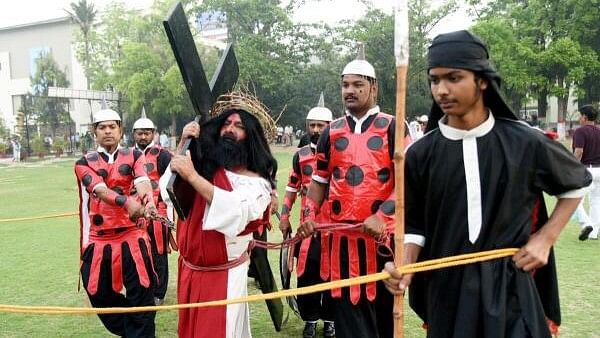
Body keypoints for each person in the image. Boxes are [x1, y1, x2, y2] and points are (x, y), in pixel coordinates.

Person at [383, 30, 591, 338]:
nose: (441, 90)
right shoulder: (420, 153)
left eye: (454, 78)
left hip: (512, 287)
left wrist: (545, 239)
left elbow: (576, 184)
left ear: (482, 80)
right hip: (447, 290)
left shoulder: (524, 141)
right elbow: (414, 226)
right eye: (434, 80)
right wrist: (404, 265)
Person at [298, 47, 399, 338]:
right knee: (347, 323)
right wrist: (308, 214)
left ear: (374, 87)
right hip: (339, 244)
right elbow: (318, 181)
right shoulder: (332, 132)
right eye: (345, 85)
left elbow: (408, 185)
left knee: (382, 321)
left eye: (358, 84)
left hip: (381, 243)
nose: (350, 91)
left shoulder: (392, 126)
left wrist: (382, 216)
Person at [166, 91, 277, 338]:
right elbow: (171, 190)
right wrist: (184, 144)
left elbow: (235, 210)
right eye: (226, 124)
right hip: (190, 272)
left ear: (251, 136)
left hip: (223, 277)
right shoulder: (206, 167)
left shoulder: (257, 184)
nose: (230, 130)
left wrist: (192, 176)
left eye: (238, 126)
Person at [74, 108, 158, 337]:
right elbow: (99, 189)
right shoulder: (84, 162)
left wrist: (148, 201)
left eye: (112, 126)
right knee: (97, 292)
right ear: (94, 132)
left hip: (132, 235)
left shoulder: (135, 156)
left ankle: (141, 332)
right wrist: (127, 203)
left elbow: (142, 181)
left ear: (121, 130)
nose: (108, 131)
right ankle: (135, 330)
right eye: (102, 127)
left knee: (141, 292)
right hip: (99, 240)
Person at [279, 94, 335, 338]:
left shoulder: (340, 153)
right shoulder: (300, 155)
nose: (315, 130)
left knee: (333, 275)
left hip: (334, 227)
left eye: (320, 126)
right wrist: (284, 215)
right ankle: (310, 319)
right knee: (307, 274)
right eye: (311, 125)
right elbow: (292, 186)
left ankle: (331, 320)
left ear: (329, 127)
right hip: (306, 228)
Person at [132, 109, 174, 305]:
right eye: (139, 133)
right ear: (133, 134)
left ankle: (159, 293)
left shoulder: (163, 155)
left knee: (158, 253)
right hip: (135, 214)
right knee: (138, 252)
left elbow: (171, 182)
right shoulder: (128, 155)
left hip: (158, 212)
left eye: (146, 132)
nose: (143, 136)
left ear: (153, 133)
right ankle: (143, 288)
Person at [572, 104, 600, 240]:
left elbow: (579, 151)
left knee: (573, 199)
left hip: (585, 169)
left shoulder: (580, 131)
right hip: (599, 169)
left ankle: (586, 223)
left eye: (579, 115)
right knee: (596, 201)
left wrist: (571, 165)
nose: (579, 118)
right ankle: (594, 232)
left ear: (584, 117)